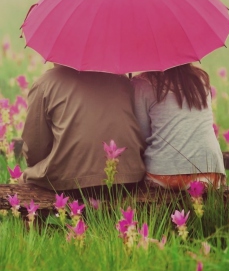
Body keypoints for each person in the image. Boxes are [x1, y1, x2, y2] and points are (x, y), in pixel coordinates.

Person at [21, 64, 146, 193]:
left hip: (70, 183)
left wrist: (36, 167)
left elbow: (35, 148)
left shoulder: (46, 82)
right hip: (129, 180)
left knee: (25, 177)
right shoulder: (123, 80)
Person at [132, 64, 226, 189]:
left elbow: (141, 137)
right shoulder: (201, 79)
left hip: (163, 175)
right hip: (210, 172)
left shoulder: (141, 84)